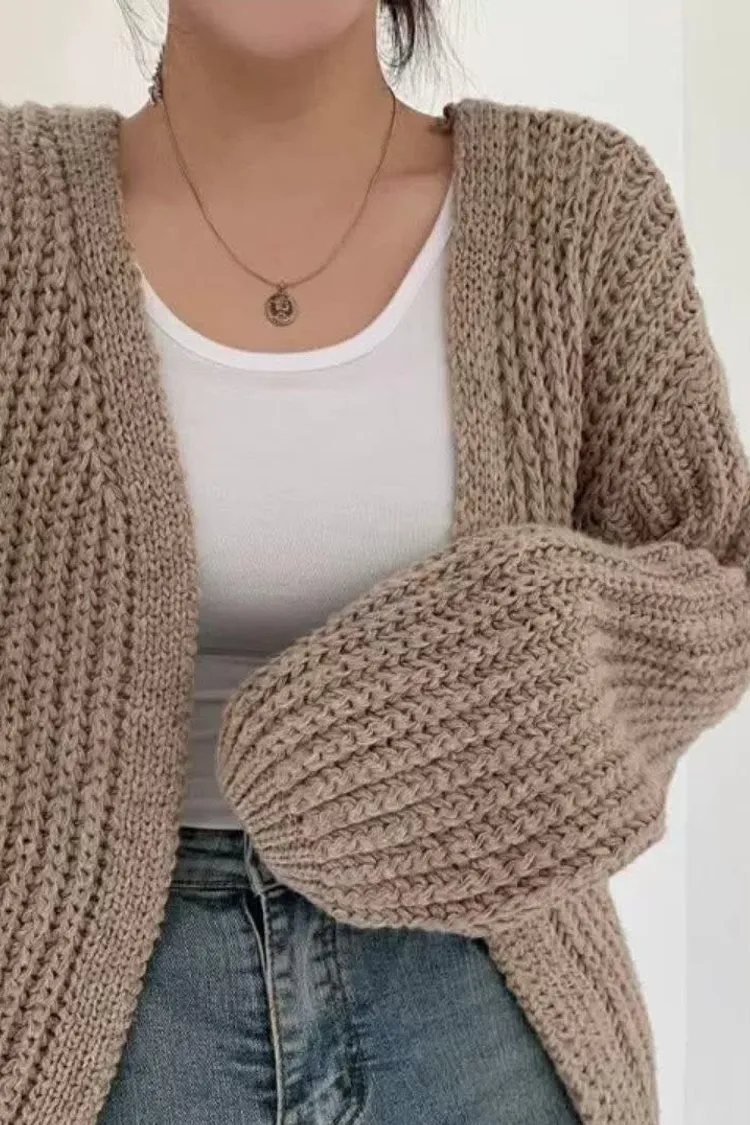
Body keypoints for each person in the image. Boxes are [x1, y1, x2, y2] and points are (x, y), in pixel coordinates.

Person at [1, 2, 749, 1124]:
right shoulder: (15, 215)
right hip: (77, 1021)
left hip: (489, 1005)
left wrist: (525, 658)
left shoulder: (582, 208)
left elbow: (714, 568)